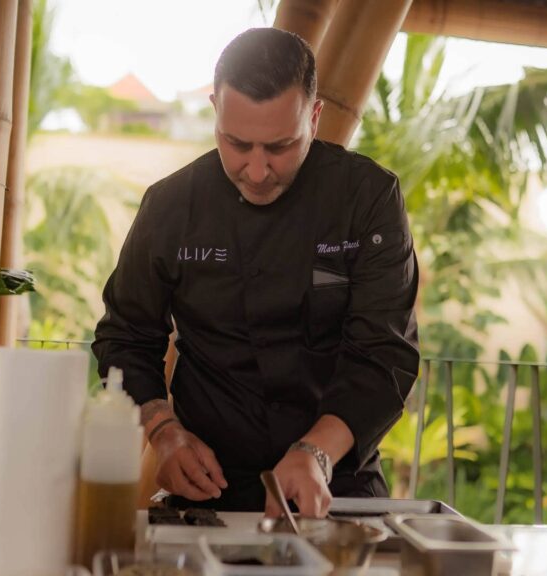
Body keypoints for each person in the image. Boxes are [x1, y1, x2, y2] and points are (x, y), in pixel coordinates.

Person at [92, 27, 420, 517]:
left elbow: (384, 354)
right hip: (209, 488)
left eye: (280, 146)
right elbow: (125, 338)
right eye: (237, 143)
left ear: (314, 116)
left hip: (334, 484)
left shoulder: (368, 199)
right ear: (216, 110)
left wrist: (315, 453)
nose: (258, 170)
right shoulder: (171, 206)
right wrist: (163, 431)